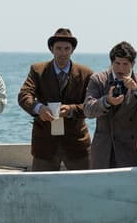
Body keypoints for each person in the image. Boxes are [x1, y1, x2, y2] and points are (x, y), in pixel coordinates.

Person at [17, 28, 93, 171]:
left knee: (84, 188)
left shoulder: (86, 73)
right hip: (45, 143)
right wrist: (39, 108)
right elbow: (24, 95)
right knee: (41, 189)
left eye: (66, 48)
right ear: (52, 49)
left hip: (76, 143)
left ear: (72, 50)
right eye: (58, 48)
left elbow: (92, 105)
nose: (63, 53)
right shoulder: (37, 70)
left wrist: (71, 110)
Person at [84, 41, 137, 168]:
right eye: (117, 63)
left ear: (133, 64)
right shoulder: (98, 80)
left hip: (132, 149)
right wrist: (107, 101)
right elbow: (88, 110)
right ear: (111, 63)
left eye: (125, 64)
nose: (121, 68)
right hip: (104, 150)